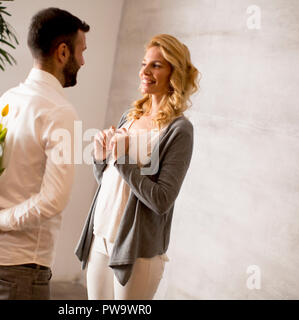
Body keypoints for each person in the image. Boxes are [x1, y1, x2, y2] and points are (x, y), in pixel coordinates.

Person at [0, 7, 89, 300]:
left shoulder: (7, 100)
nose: (83, 61)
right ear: (62, 52)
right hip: (20, 270)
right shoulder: (60, 111)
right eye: (81, 51)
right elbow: (54, 199)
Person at [75, 34, 199, 300]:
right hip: (101, 235)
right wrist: (101, 156)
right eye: (144, 63)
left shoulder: (179, 130)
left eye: (156, 65)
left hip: (137, 249)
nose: (144, 71)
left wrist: (122, 159)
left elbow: (162, 200)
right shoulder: (130, 116)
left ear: (174, 73)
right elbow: (112, 183)